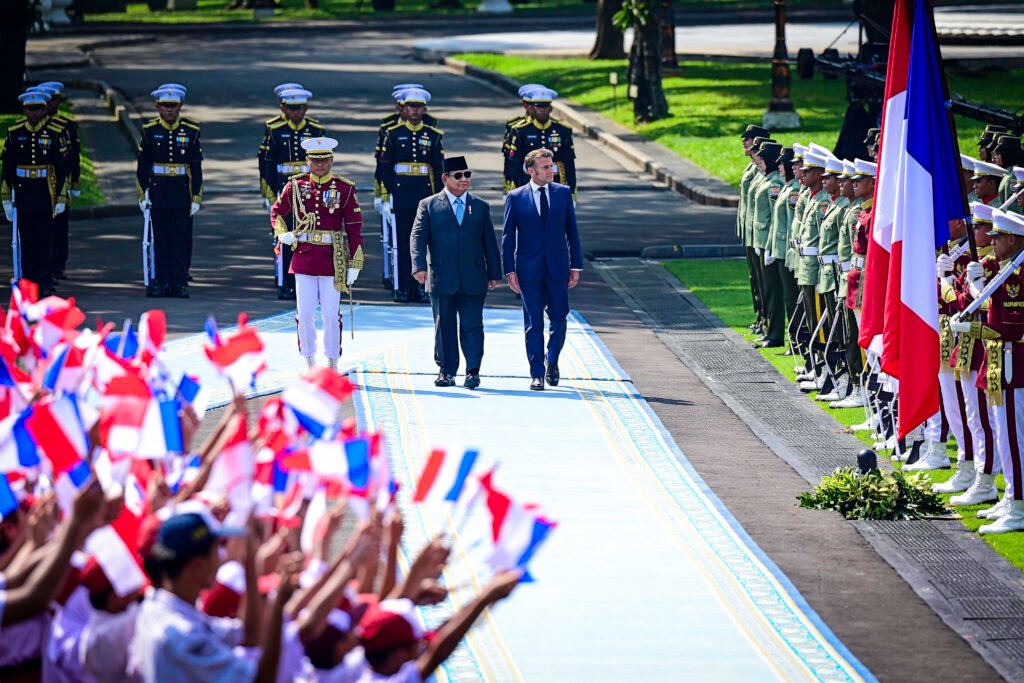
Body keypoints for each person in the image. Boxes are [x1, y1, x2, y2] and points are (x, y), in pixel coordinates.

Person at [127, 510, 302, 682]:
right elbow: (261, 679)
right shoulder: (183, 637)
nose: (221, 558)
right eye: (216, 550)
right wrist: (278, 607)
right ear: (198, 565)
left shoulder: (155, 607)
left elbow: (250, 635)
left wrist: (251, 566)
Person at [953, 210, 1024, 534]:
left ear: (1012, 239)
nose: (992, 242)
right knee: (1002, 432)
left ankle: (1019, 505)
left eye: (997, 238)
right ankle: (1011, 496)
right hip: (998, 362)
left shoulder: (1016, 276)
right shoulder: (1006, 270)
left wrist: (974, 328)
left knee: (1013, 436)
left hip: (1013, 362)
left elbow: (1009, 327)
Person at [271, 137, 364, 370]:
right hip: (304, 255)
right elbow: (277, 212)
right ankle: (309, 359)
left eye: (324, 160)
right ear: (307, 161)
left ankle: (332, 359)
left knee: (332, 314)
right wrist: (283, 233)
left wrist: (355, 262)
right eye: (315, 160)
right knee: (305, 313)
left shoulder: (344, 188)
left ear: (331, 160)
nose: (320, 164)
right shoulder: (295, 185)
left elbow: (354, 227)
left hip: (333, 259)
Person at [410, 156, 502, 389]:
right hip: (441, 275)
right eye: (458, 175)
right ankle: (446, 370)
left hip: (473, 275)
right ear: (445, 178)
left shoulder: (480, 206)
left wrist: (494, 273)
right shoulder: (428, 204)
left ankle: (473, 371)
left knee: (473, 325)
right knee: (444, 325)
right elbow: (418, 237)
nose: (464, 180)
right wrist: (418, 266)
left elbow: (489, 242)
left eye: (467, 175)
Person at [502, 148, 583, 391]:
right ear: (531, 171)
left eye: (552, 166)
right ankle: (536, 373)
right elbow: (507, 238)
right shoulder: (516, 197)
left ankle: (552, 360)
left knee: (559, 317)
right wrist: (509, 271)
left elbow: (572, 233)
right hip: (528, 269)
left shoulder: (563, 193)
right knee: (533, 322)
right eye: (546, 167)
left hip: (558, 267)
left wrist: (575, 266)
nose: (552, 171)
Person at [258, 87, 326, 300]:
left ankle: (308, 279)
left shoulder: (316, 130)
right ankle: (286, 281)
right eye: (291, 108)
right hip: (285, 191)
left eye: (300, 108)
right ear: (283, 107)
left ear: (306, 108)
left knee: (311, 238)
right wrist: (270, 195)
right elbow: (267, 165)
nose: (296, 112)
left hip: (309, 192)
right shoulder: (274, 129)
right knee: (287, 238)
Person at [136, 84, 203, 298]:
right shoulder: (150, 131)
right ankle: (162, 280)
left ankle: (179, 281)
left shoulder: (191, 131)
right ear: (157, 107)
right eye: (165, 105)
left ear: (180, 106)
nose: (169, 110)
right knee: (161, 240)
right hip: (159, 193)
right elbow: (142, 167)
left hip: (181, 193)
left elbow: (196, 167)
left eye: (173, 105)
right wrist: (143, 193)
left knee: (181, 240)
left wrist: (196, 196)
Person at [378, 88, 444, 304]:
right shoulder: (393, 134)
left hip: (424, 195)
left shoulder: (433, 136)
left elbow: (437, 168)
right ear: (403, 109)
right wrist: (386, 196)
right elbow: (385, 168)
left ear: (424, 110)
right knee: (403, 244)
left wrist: (439, 197)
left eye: (418, 107)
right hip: (402, 195)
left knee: (424, 244)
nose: (414, 111)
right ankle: (403, 287)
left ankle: (423, 287)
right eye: (410, 107)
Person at [1, 89, 70, 295]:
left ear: (44, 110)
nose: (34, 114)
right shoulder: (15, 133)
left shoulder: (54, 133)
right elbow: (7, 168)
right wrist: (6, 197)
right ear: (24, 110)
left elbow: (61, 168)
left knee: (45, 239)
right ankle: (28, 281)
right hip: (24, 192)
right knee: (27, 239)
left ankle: (44, 280)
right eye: (30, 109)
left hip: (44, 192)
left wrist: (60, 197)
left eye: (38, 109)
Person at [34, 81, 79, 283]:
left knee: (59, 227)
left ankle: (58, 264)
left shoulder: (67, 126)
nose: (51, 105)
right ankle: (44, 266)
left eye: (54, 100)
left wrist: (74, 183)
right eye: (47, 101)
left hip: (60, 183)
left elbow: (72, 157)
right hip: (40, 186)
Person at [505, 88, 576, 198]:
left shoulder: (562, 131)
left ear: (551, 108)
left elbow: (569, 162)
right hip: (528, 181)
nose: (542, 110)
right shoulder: (521, 131)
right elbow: (516, 164)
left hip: (556, 182)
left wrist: (571, 189)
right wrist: (516, 188)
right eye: (538, 106)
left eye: (545, 106)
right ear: (532, 108)